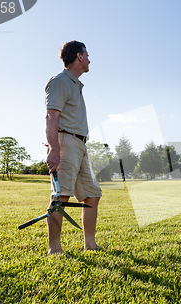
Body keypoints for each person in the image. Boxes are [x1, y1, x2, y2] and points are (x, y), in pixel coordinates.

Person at [45, 40, 102, 256]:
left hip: (80, 144)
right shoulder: (60, 82)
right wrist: (54, 149)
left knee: (92, 195)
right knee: (61, 197)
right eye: (87, 55)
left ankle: (90, 243)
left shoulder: (76, 84)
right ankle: (55, 249)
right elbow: (51, 117)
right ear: (79, 56)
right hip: (65, 142)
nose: (89, 60)